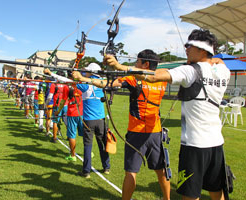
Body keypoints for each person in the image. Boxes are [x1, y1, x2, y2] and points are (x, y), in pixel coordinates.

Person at [105, 29, 230, 200]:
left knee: (190, 195)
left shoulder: (190, 71)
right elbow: (218, 61)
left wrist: (120, 67)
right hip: (216, 144)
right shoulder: (223, 71)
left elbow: (153, 76)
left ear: (201, 50)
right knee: (217, 192)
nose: (185, 48)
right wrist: (213, 58)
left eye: (189, 45)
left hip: (195, 145)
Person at [73, 50, 170, 200]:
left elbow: (106, 84)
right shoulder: (162, 77)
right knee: (160, 170)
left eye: (138, 62)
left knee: (131, 172)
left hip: (137, 133)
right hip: (155, 132)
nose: (135, 64)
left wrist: (83, 79)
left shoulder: (133, 79)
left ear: (145, 64)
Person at [72, 63, 110, 178]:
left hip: (89, 121)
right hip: (101, 120)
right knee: (102, 144)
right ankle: (106, 167)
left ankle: (86, 171)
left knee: (88, 146)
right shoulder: (102, 83)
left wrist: (74, 75)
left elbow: (72, 81)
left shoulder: (84, 85)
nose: (85, 72)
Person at [54, 75, 84, 162]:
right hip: (81, 113)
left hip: (72, 114)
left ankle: (73, 155)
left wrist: (58, 111)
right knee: (85, 135)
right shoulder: (82, 84)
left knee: (71, 135)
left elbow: (63, 101)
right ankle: (89, 152)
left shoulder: (67, 87)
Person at [45, 70, 68, 143]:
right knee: (67, 121)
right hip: (66, 105)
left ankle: (54, 138)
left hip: (58, 106)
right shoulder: (67, 84)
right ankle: (69, 136)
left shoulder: (54, 84)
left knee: (55, 121)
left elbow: (50, 96)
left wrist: (46, 104)